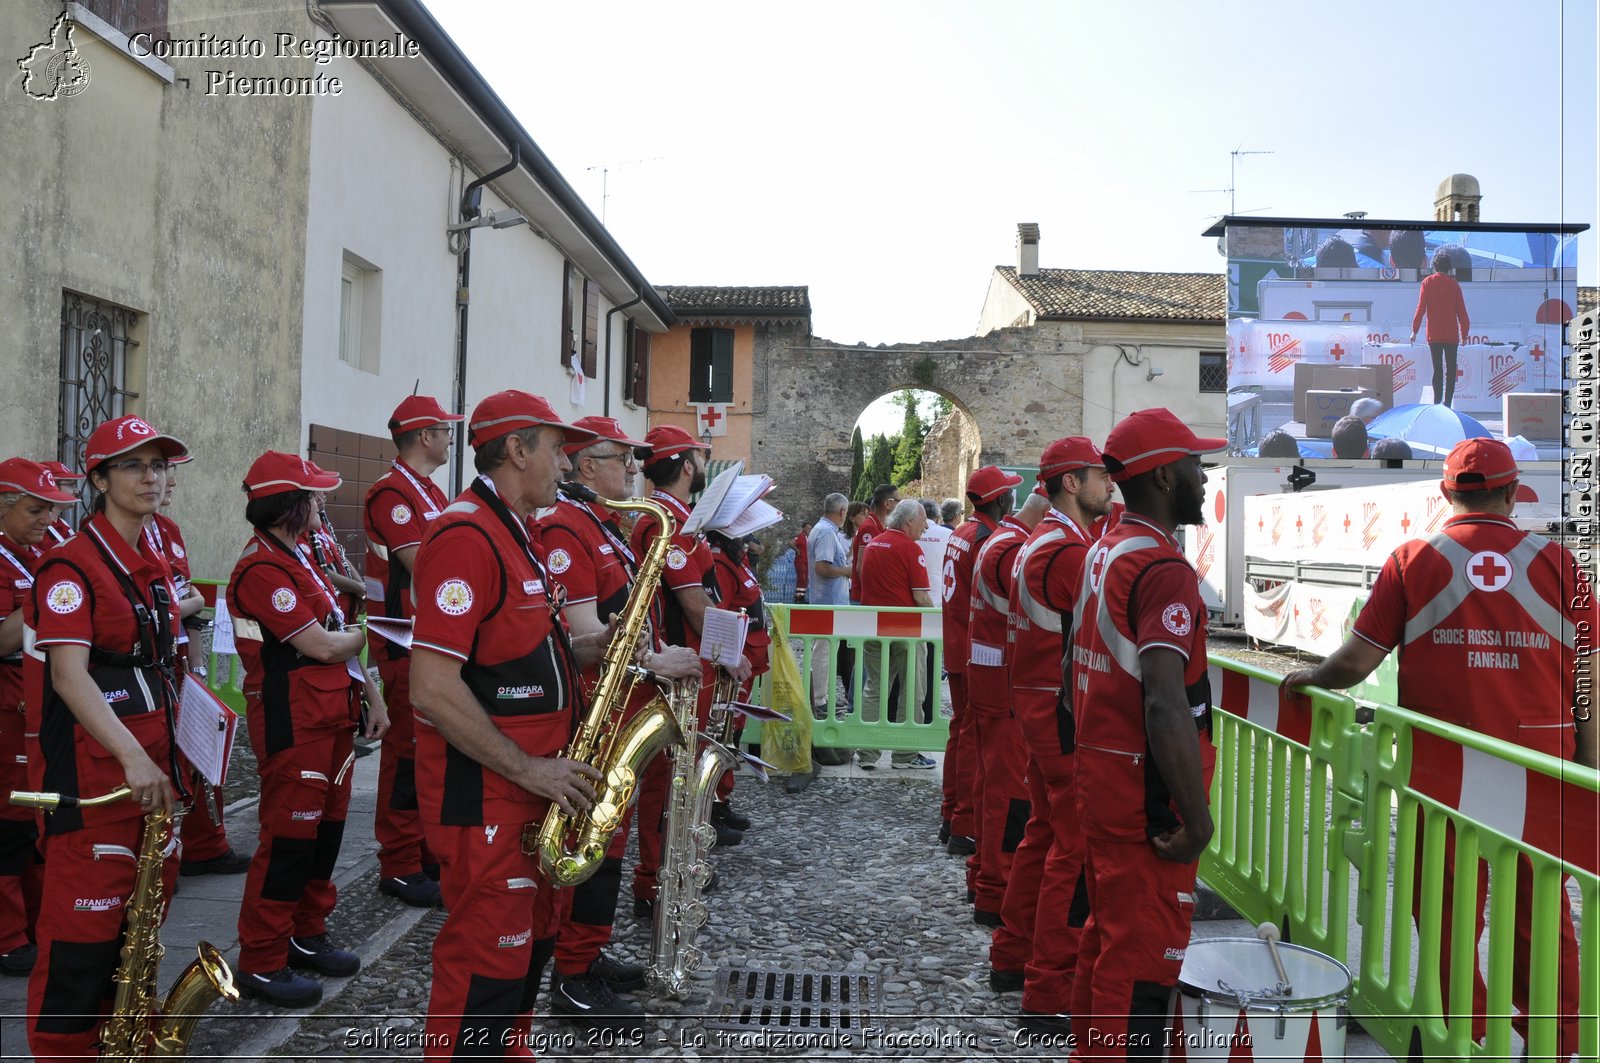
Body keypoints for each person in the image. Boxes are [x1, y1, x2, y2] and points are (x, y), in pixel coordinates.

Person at [1282, 438, 1594, 1058]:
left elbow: (1356, 659)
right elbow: (1590, 674)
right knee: (1543, 919)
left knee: (1450, 914)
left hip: (1444, 767)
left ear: (1446, 493)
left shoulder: (1413, 557)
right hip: (1542, 768)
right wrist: (1589, 763)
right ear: (1512, 492)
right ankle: (1557, 1042)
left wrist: (1309, 678)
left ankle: (1466, 1036)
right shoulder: (1563, 564)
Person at [407, 390, 612, 1058]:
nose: (567, 464)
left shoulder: (513, 530)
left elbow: (507, 650)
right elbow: (433, 687)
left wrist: (596, 648)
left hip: (533, 791)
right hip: (489, 793)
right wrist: (529, 768)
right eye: (558, 449)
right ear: (518, 449)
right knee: (484, 968)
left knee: (528, 952)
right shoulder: (465, 535)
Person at [22, 416, 189, 1060]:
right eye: (133, 466)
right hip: (97, 784)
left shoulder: (149, 558)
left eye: (159, 466)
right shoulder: (70, 566)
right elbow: (68, 677)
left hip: (151, 776)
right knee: (80, 943)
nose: (152, 478)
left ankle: (123, 1043)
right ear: (98, 479)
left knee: (134, 936)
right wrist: (133, 757)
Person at [1069, 408, 1221, 1059]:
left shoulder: (1104, 548)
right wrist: (1197, 816)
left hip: (1104, 781)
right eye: (1195, 462)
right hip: (1147, 801)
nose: (1204, 475)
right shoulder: (1162, 568)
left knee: (1105, 939)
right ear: (1164, 475)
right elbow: (1164, 701)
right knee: (1141, 971)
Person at [540, 415, 701, 1027]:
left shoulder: (603, 528)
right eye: (622, 459)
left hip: (625, 705)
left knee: (608, 842)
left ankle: (589, 950)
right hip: (596, 712)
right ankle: (573, 973)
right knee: (591, 844)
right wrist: (659, 659)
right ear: (587, 466)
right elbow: (583, 635)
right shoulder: (565, 530)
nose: (635, 469)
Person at [226, 452, 390, 1007]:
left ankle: (307, 932)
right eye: (313, 495)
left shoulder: (299, 557)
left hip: (332, 719)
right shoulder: (261, 568)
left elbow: (335, 635)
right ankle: (262, 958)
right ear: (288, 504)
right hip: (294, 723)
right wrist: (361, 635)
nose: (321, 502)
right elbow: (322, 644)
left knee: (324, 838)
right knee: (289, 843)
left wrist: (371, 695)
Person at [990, 439, 1115, 1038]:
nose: (1110, 483)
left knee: (1043, 836)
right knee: (1074, 849)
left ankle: (1014, 956)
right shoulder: (1067, 550)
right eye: (1099, 474)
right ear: (1071, 482)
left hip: (1037, 710)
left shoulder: (1045, 541)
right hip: (1061, 718)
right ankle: (1049, 989)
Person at [627, 425, 751, 917]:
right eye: (700, 457)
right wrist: (728, 654)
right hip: (681, 667)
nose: (704, 465)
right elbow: (695, 606)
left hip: (690, 664)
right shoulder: (669, 523)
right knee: (669, 779)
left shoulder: (679, 518)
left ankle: (670, 870)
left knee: (680, 776)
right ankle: (656, 879)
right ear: (685, 466)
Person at [363, 394, 463, 910]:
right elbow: (423, 562)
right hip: (402, 639)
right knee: (404, 754)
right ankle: (398, 862)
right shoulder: (392, 493)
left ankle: (422, 852)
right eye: (445, 430)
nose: (451, 437)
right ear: (425, 436)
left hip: (426, 638)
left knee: (426, 752)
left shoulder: (427, 491)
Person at [0, 460, 76, 979]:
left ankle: (28, 922)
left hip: (36, 704)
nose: (47, 518)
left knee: (33, 822)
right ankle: (7, 937)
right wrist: (45, 595)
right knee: (8, 826)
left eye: (51, 508)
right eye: (35, 508)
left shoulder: (32, 554)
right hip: (6, 710)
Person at [966, 489, 1046, 927]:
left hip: (987, 673)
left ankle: (985, 875)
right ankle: (996, 886)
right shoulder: (1013, 548)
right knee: (1007, 794)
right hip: (1004, 683)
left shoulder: (1000, 541)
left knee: (989, 784)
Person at [939, 467, 1020, 857]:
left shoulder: (963, 532)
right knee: (973, 738)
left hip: (959, 646)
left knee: (961, 733)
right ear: (1002, 500)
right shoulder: (988, 538)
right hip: (977, 652)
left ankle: (952, 813)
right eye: (1010, 494)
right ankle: (964, 823)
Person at [854, 499, 935, 770]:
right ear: (909, 521)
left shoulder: (875, 543)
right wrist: (936, 619)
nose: (925, 527)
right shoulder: (910, 548)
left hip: (873, 625)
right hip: (906, 630)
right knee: (912, 690)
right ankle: (905, 754)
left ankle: (867, 752)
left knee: (874, 688)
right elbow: (921, 597)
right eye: (923, 520)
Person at [806, 493, 853, 716]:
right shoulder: (825, 532)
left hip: (828, 601)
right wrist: (847, 570)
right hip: (828, 601)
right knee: (824, 651)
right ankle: (819, 700)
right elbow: (822, 567)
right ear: (842, 512)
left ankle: (820, 697)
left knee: (825, 650)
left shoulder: (823, 530)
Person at [1410, 249, 1471, 408]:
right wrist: (1464, 333)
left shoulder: (1427, 283)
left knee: (1437, 370)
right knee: (1451, 372)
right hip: (1451, 336)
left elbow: (1420, 309)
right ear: (1449, 268)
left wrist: (1414, 331)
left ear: (1434, 266)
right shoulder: (1454, 284)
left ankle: (1436, 403)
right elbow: (1462, 311)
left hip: (1434, 335)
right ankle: (1447, 404)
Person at [849, 484, 898, 604]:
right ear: (887, 504)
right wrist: (874, 594)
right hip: (865, 598)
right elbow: (861, 567)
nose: (900, 505)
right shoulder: (870, 528)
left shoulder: (879, 526)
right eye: (898, 501)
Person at [791, 521, 811, 603]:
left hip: (806, 562)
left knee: (805, 579)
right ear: (803, 528)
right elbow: (791, 543)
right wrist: (797, 550)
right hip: (801, 561)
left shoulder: (807, 538)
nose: (809, 530)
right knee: (802, 579)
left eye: (810, 528)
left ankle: (802, 597)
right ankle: (798, 598)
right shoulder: (800, 536)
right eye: (807, 528)